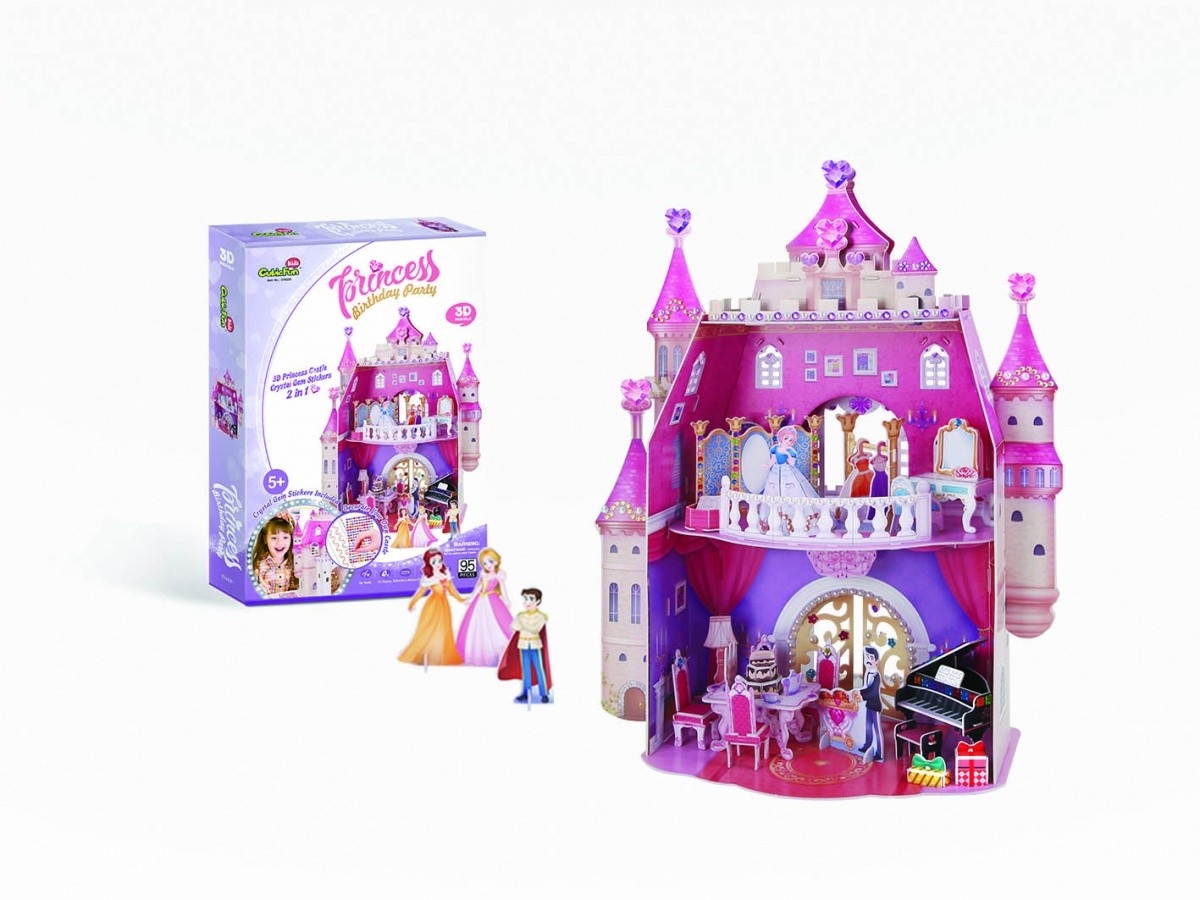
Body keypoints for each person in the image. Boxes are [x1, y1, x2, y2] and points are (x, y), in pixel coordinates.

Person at [397, 548, 466, 666]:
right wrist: (412, 603)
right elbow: (420, 592)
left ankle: (440, 653)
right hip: (433, 606)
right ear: (428, 562)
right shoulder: (429, 578)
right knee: (429, 628)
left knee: (444, 629)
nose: (438, 564)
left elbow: (452, 589)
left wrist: (461, 599)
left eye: (439, 560)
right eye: (434, 561)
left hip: (444, 605)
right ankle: (420, 653)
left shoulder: (445, 573)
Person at [455, 548, 513, 666]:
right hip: (479, 601)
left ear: (496, 561)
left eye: (490, 561)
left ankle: (501, 652)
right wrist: (470, 598)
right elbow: (478, 587)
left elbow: (502, 588)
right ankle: (477, 652)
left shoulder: (499, 574)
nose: (488, 565)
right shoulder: (483, 574)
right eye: (484, 563)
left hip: (492, 600)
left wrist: (506, 599)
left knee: (495, 622)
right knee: (475, 624)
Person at [497, 588, 552, 703]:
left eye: (531, 599)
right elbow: (514, 627)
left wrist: (523, 625)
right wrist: (526, 626)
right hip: (523, 645)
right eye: (526, 598)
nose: (527, 601)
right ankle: (526, 693)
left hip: (535, 645)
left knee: (539, 669)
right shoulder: (521, 615)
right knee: (525, 670)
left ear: (537, 601)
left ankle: (544, 693)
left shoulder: (541, 616)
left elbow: (535, 629)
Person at [763, 425, 820, 498]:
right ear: (781, 437)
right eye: (786, 438)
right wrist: (768, 465)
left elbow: (792, 463)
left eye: (790, 440)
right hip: (776, 470)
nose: (787, 441)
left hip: (787, 470)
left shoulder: (790, 451)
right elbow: (773, 459)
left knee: (789, 486)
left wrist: (788, 454)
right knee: (774, 485)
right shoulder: (775, 448)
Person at [251, 513, 298, 595]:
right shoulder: (258, 564)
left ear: (291, 539)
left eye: (285, 537)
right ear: (265, 539)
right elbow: (250, 590)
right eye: (274, 538)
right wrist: (258, 590)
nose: (280, 543)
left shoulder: (294, 563)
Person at [857, 647, 884, 762]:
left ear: (877, 661)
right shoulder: (868, 673)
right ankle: (867, 745)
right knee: (868, 726)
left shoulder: (876, 675)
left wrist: (861, 696)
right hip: (869, 704)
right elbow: (866, 688)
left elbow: (873, 692)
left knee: (877, 729)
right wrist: (858, 692)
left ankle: (879, 752)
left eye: (871, 658)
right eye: (867, 657)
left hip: (875, 705)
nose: (868, 660)